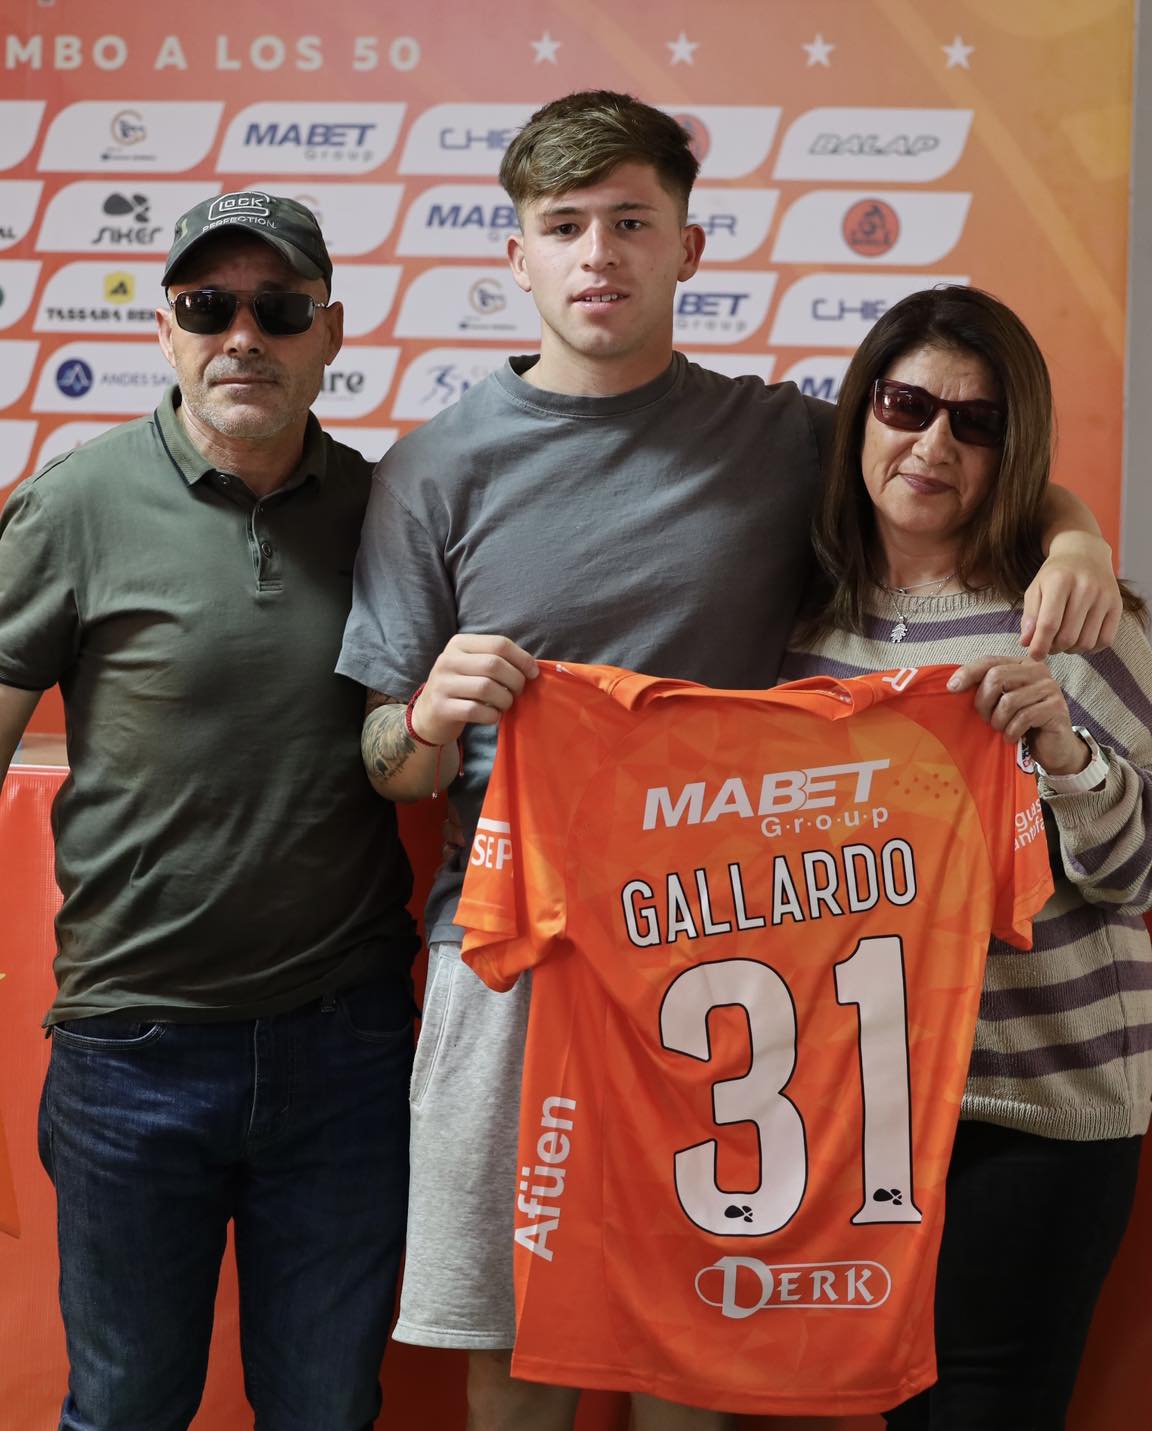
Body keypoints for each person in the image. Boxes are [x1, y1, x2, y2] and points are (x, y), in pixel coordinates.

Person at [335, 92, 1120, 1431]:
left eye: (631, 221)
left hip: (728, 954)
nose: (598, 254)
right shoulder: (430, 471)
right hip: (516, 950)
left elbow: (942, 454)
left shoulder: (781, 440)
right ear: (516, 253)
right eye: (564, 226)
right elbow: (383, 767)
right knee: (513, 1346)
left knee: (690, 1346)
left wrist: (1078, 535)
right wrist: (423, 723)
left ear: (689, 247)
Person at [0, 191, 418, 1431]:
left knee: (326, 1410)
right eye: (206, 306)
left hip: (343, 1047)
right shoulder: (75, 504)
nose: (243, 336)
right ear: (166, 332)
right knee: (124, 1409)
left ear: (329, 331)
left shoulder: (389, 509)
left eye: (278, 309)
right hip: (132, 1049)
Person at [782, 283, 1152, 1430]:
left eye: (977, 423)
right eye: (908, 407)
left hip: (1036, 1098)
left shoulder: (1077, 621)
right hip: (864, 1107)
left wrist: (1064, 755)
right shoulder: (798, 625)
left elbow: (1135, 876)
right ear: (863, 412)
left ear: (1013, 449)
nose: (933, 446)